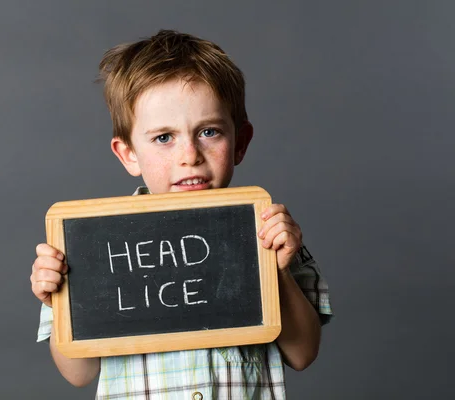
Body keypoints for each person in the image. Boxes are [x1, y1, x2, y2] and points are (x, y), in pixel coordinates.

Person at [30, 29, 332, 399]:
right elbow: (78, 374)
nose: (190, 154)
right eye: (163, 138)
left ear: (240, 142)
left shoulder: (268, 231)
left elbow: (303, 354)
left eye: (208, 131)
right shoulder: (93, 245)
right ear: (128, 154)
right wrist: (64, 304)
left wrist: (278, 272)